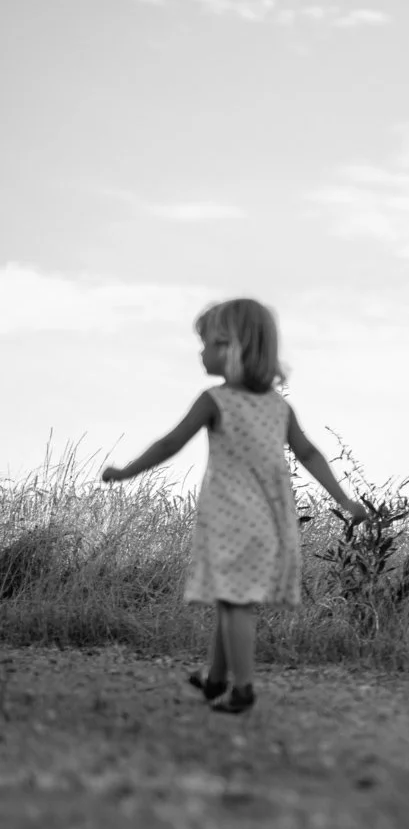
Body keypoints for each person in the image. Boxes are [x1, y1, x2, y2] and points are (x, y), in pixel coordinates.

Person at [102, 298, 368, 714]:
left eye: (206, 342)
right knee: (232, 599)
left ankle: (243, 689)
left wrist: (126, 471)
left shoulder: (216, 399)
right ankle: (215, 678)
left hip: (231, 517)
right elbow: (310, 454)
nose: (201, 351)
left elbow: (171, 442)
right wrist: (344, 500)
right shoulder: (278, 406)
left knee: (235, 602)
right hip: (270, 521)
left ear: (230, 347)